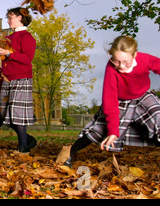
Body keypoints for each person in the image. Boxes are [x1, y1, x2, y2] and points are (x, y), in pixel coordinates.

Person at [64, 35, 160, 167]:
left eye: (126, 62)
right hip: (119, 101)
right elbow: (110, 101)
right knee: (98, 129)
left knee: (158, 116)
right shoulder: (111, 69)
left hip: (143, 96)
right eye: (116, 61)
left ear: (134, 55)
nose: (121, 66)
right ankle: (69, 154)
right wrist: (114, 132)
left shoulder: (144, 59)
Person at [0, 7, 37, 153]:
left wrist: (8, 54)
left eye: (10, 17)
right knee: (4, 114)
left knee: (17, 115)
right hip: (7, 79)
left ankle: (24, 147)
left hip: (21, 78)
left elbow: (27, 59)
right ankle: (27, 139)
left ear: (20, 17)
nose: (8, 20)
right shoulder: (9, 38)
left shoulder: (27, 37)